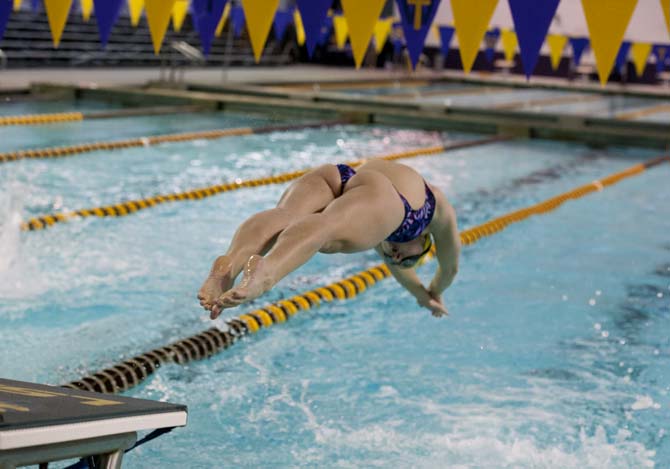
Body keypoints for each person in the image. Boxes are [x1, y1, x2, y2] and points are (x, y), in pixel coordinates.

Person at [198, 159, 460, 319]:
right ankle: (266, 273)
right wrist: (437, 291)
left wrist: (423, 297)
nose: (397, 257)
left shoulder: (381, 229)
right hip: (389, 195)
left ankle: (228, 265)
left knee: (286, 215)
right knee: (326, 229)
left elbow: (402, 274)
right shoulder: (433, 210)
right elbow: (450, 268)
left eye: (395, 258)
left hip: (342, 175)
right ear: (426, 239)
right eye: (411, 258)